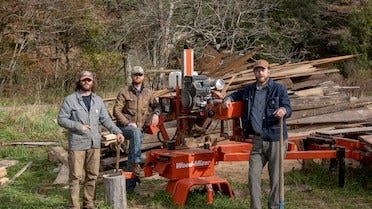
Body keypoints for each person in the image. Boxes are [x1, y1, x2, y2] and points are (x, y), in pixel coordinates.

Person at [222, 59, 291, 209]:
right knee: (253, 176)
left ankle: (273, 206)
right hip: (258, 140)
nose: (260, 73)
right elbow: (234, 95)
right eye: (257, 70)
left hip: (275, 139)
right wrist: (227, 99)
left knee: (276, 178)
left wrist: (283, 111)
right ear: (254, 72)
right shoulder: (249, 90)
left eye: (263, 70)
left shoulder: (279, 89)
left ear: (268, 72)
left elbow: (288, 107)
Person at [57, 71, 125, 209]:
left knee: (93, 175)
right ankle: (74, 205)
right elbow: (61, 119)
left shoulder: (98, 100)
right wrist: (78, 126)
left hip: (94, 143)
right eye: (84, 80)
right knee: (75, 176)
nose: (87, 82)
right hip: (77, 143)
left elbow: (105, 119)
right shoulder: (70, 100)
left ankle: (88, 203)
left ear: (92, 82)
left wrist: (117, 131)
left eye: (89, 80)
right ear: (79, 82)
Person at [113, 66, 160, 177]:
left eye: (140, 75)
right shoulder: (124, 92)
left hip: (139, 129)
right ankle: (136, 163)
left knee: (134, 142)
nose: (138, 77)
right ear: (132, 77)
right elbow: (116, 110)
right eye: (135, 75)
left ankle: (130, 185)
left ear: (143, 77)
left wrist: (156, 114)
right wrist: (127, 122)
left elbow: (156, 105)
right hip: (124, 128)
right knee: (135, 133)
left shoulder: (148, 92)